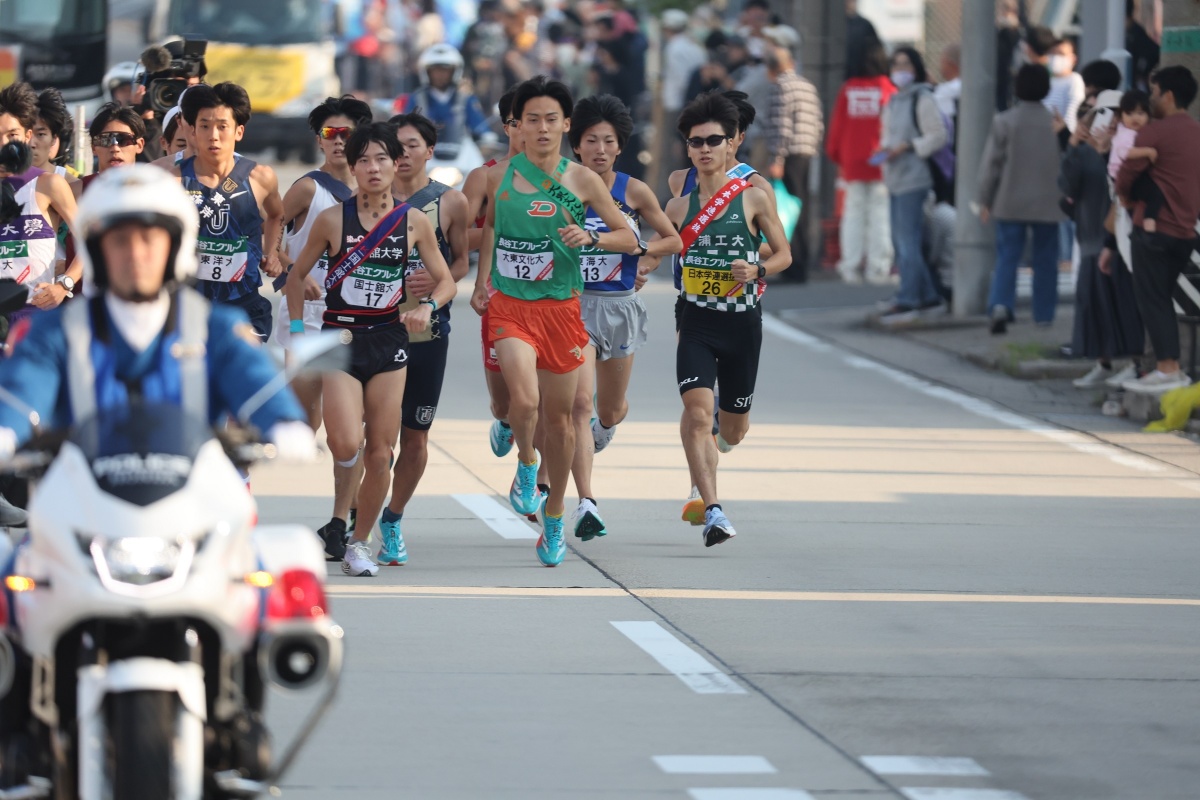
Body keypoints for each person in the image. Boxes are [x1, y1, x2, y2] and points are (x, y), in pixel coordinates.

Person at [0, 164, 312, 463]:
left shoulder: (214, 327)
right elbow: (24, 388)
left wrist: (285, 422)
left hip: (188, 492)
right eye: (119, 240)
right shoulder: (56, 331)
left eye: (149, 239)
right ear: (95, 250)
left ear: (176, 248)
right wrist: (6, 429)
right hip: (84, 496)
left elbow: (255, 380)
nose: (136, 254)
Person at [470, 76, 637, 567]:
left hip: (562, 310)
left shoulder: (580, 180)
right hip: (511, 307)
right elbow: (492, 232)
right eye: (532, 120)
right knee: (524, 401)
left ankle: (557, 514)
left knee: (562, 423)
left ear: (566, 124)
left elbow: (628, 238)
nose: (541, 129)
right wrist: (482, 281)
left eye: (551, 120)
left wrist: (593, 240)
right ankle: (526, 464)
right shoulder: (498, 177)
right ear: (516, 126)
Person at [286, 122, 457, 576]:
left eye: (383, 158)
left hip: (389, 341)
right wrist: (299, 334)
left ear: (396, 163)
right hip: (339, 339)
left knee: (381, 450)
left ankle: (358, 542)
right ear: (354, 167)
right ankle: (344, 515)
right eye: (364, 159)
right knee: (345, 441)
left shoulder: (413, 221)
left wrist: (428, 309)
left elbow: (447, 282)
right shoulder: (331, 219)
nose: (374, 167)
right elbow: (294, 278)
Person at [666, 91, 791, 546]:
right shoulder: (678, 191)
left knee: (732, 427)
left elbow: (783, 254)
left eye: (715, 140)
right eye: (696, 141)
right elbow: (664, 244)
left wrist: (754, 267)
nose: (705, 148)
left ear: (734, 142)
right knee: (696, 411)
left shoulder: (756, 192)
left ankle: (713, 446)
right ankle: (712, 506)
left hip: (742, 320)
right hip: (695, 315)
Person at [566, 94, 681, 540]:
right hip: (572, 306)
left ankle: (606, 428)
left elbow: (672, 240)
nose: (598, 149)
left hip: (618, 308)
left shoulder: (633, 191)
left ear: (619, 147)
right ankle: (586, 502)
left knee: (608, 408)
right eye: (590, 140)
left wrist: (642, 259)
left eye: (607, 141)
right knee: (578, 403)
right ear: (576, 146)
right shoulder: (561, 187)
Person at [380, 111, 470, 564]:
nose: (402, 155)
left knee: (415, 436)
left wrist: (431, 288)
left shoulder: (449, 201)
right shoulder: (368, 200)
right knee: (372, 436)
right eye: (394, 147)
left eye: (412, 145)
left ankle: (392, 518)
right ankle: (355, 513)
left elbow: (459, 265)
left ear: (429, 151)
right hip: (373, 330)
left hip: (427, 331)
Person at [174, 83, 283, 342]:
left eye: (222, 126)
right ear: (192, 130)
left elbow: (277, 215)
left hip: (244, 304)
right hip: (189, 303)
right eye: (204, 125)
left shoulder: (261, 177)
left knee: (242, 376)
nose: (213, 135)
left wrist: (273, 252)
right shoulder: (172, 181)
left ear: (238, 131)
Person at [1116, 66, 1200, 394]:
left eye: (1153, 93)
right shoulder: (1196, 132)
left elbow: (1126, 173)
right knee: (1162, 299)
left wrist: (1124, 197)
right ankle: (1172, 369)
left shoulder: (1155, 132)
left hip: (1152, 231)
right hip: (1185, 232)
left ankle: (1168, 368)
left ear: (1167, 95)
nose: (1150, 100)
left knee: (1152, 299)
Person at [977, 64, 1064, 335]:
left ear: (1017, 88)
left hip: (1009, 200)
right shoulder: (1055, 121)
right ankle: (1044, 314)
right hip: (1049, 202)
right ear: (1047, 88)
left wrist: (985, 199)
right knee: (1046, 259)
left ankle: (1001, 305)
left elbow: (991, 165)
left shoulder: (1005, 120)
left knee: (1007, 257)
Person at [462, 84, 523, 459]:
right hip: (500, 298)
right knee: (506, 404)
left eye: (543, 119)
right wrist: (504, 233)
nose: (532, 130)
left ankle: (535, 474)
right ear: (506, 127)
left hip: (553, 297)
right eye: (522, 121)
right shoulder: (484, 177)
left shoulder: (570, 178)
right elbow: (458, 237)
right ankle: (504, 421)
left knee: (549, 403)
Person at [1064, 108, 1144, 389]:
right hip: (1091, 236)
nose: (1104, 128)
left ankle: (1136, 364)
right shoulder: (1083, 152)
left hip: (1117, 238)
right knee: (1095, 305)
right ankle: (1104, 362)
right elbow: (1066, 189)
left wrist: (1106, 152)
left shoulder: (1128, 146)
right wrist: (1073, 144)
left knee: (1123, 304)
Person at [875, 47, 947, 322]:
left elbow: (937, 136)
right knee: (902, 240)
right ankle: (927, 296)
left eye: (905, 64)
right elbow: (887, 136)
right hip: (895, 177)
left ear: (915, 68)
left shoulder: (922, 97)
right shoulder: (894, 100)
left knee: (908, 241)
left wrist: (909, 146)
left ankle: (908, 298)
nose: (900, 70)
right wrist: (885, 151)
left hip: (914, 178)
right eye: (896, 64)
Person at [0, 82, 80, 313]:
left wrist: (65, 284)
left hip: (35, 311)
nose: (4, 144)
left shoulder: (49, 183)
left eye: (12, 134)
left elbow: (89, 240)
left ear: (27, 136)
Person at [826, 36, 895, 285]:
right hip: (882, 161)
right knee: (880, 216)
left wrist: (838, 156)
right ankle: (878, 268)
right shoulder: (888, 89)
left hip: (851, 162)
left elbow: (836, 129)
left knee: (853, 215)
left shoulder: (848, 88)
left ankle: (850, 267)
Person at [765, 47, 822, 283]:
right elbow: (818, 122)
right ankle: (802, 263)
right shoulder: (807, 85)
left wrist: (777, 159)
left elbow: (781, 126)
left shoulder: (781, 87)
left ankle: (792, 263)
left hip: (789, 153)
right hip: (807, 151)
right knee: (801, 206)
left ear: (771, 69)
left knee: (787, 209)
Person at [398, 44, 495, 155]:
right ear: (426, 72)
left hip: (460, 155)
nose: (440, 75)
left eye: (445, 70)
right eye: (435, 70)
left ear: (455, 72)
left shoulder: (465, 99)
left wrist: (487, 137)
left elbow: (479, 126)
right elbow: (405, 128)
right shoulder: (417, 99)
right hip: (425, 156)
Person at [1108, 90, 1165, 234]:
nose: (1135, 118)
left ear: (1148, 115)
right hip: (1123, 176)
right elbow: (1124, 152)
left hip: (1127, 176)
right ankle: (1149, 223)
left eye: (1140, 113)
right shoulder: (1125, 134)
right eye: (1130, 113)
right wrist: (1148, 151)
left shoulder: (1129, 131)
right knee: (1155, 194)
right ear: (1121, 116)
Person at [29, 89, 75, 178]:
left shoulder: (74, 185)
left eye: (40, 134)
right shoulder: (5, 183)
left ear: (54, 138)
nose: (31, 143)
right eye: (27, 134)